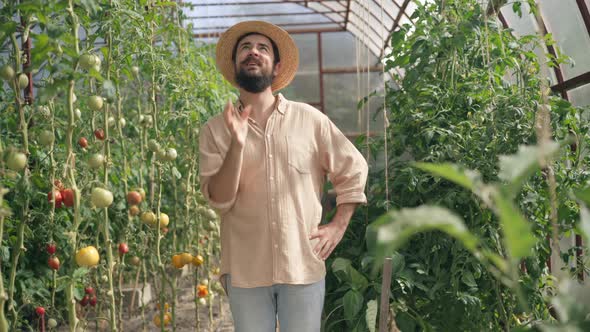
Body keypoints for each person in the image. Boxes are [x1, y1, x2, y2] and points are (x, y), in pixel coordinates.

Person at [198, 20, 369, 332]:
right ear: (235, 64)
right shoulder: (215, 130)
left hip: (302, 265)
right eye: (245, 48)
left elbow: (353, 169)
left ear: (276, 67)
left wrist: (337, 226)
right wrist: (236, 146)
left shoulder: (311, 121)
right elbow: (220, 200)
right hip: (245, 271)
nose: (253, 52)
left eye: (263, 48)